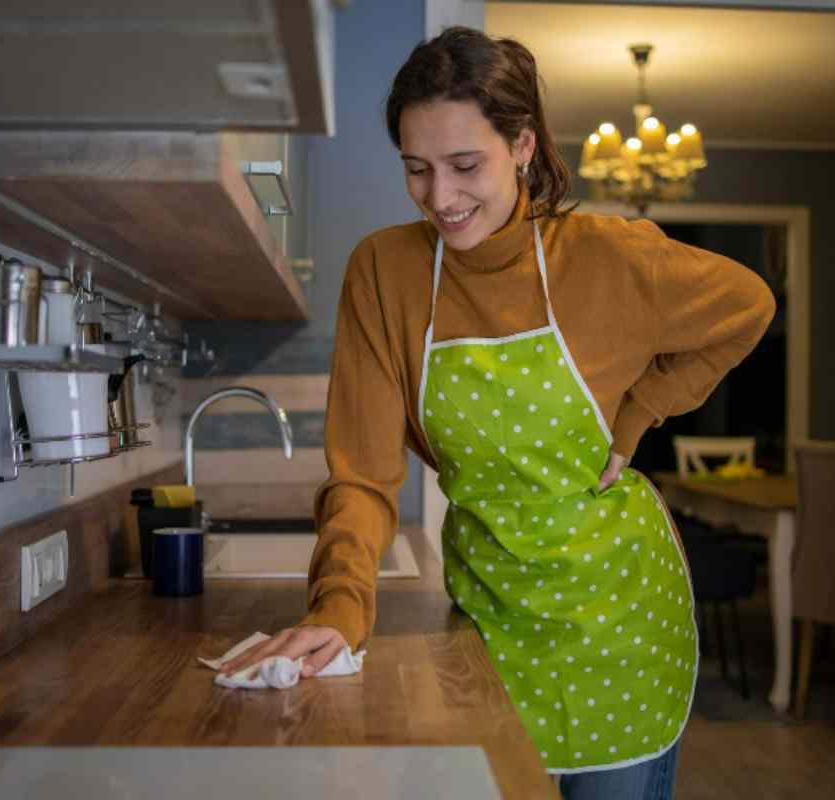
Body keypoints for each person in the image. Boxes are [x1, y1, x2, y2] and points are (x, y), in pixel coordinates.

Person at [217, 26, 776, 799]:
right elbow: (363, 475)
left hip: (622, 621)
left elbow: (749, 303)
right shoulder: (386, 272)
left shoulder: (610, 259)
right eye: (417, 169)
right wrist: (341, 608)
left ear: (522, 144)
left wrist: (642, 410)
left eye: (464, 165)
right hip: (491, 619)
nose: (440, 197)